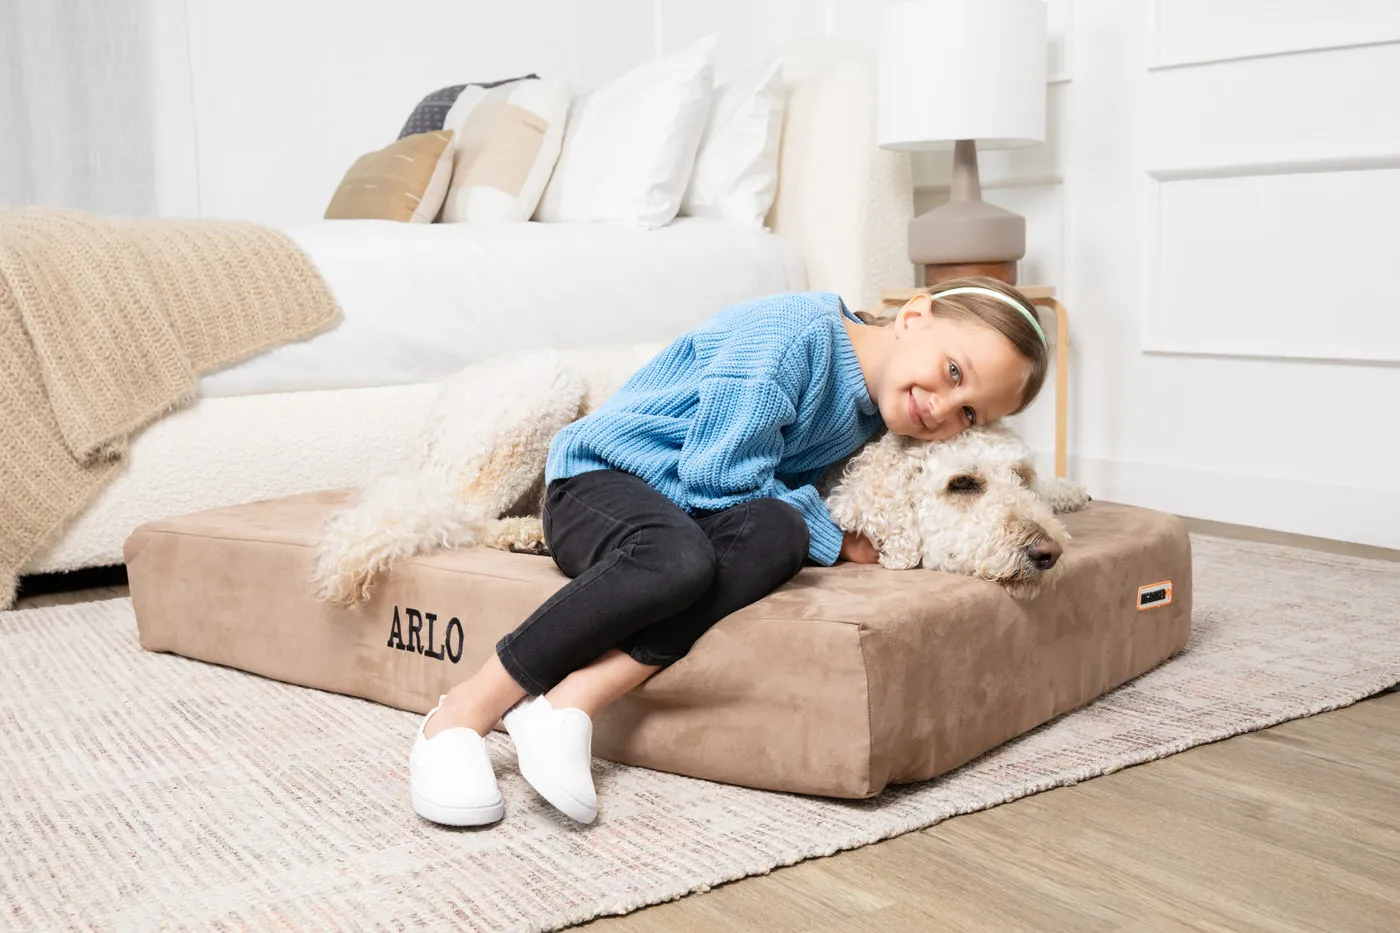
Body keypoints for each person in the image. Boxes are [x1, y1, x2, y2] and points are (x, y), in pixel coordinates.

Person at [408, 275, 1050, 827]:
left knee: (779, 533)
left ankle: (567, 704)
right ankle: (463, 714)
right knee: (681, 557)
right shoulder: (791, 334)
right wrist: (838, 538)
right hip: (604, 482)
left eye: (970, 415)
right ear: (913, 316)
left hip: (689, 515)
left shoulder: (881, 409)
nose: (943, 409)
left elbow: (763, 505)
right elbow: (720, 478)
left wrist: (820, 530)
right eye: (953, 373)